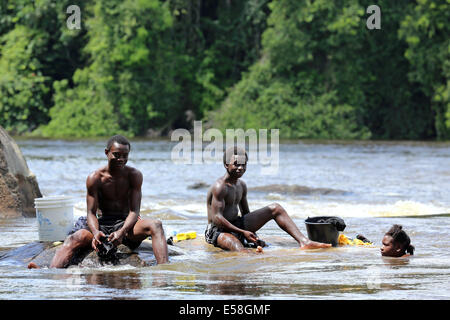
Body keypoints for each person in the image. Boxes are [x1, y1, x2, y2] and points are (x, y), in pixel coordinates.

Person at [28, 135, 169, 268]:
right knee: (76, 237)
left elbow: (134, 211)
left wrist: (121, 232)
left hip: (126, 227)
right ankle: (51, 271)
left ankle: (164, 269)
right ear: (107, 152)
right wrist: (95, 232)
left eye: (125, 156)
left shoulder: (134, 176)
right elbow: (91, 213)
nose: (121, 159)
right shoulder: (95, 178)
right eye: (116, 155)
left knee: (156, 224)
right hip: (101, 225)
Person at [205, 146, 332, 252]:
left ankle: (304, 242)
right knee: (241, 250)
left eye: (244, 165)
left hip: (236, 224)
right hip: (218, 231)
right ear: (226, 165)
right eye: (236, 164)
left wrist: (253, 236)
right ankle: (249, 254)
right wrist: (242, 232)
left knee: (275, 208)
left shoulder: (241, 185)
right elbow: (217, 218)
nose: (241, 168)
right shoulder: (220, 187)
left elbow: (246, 214)